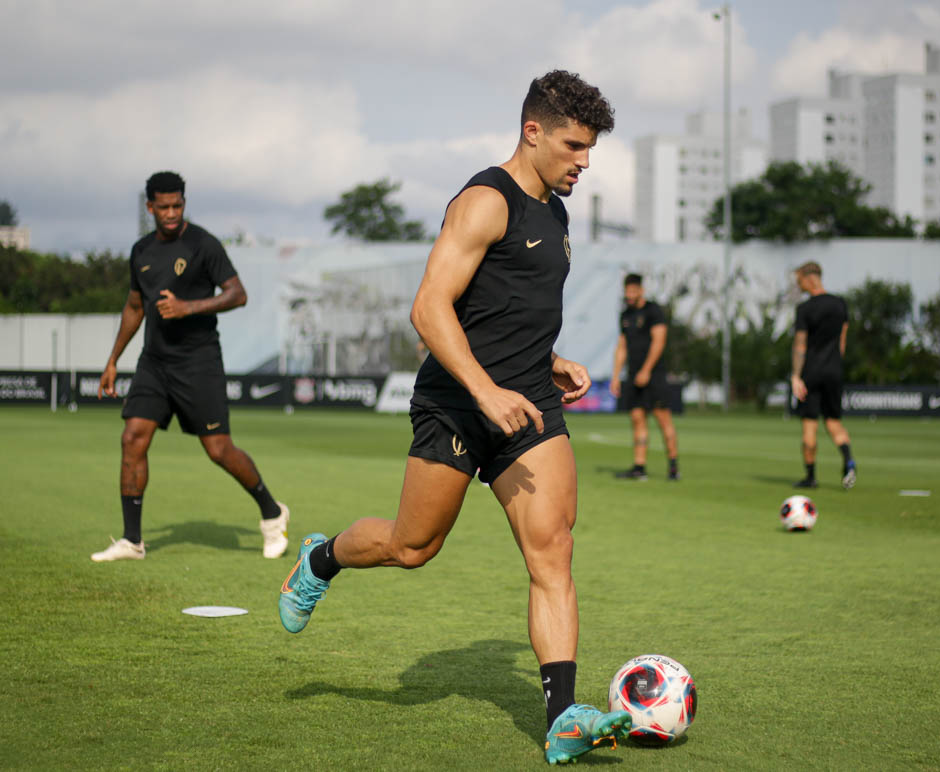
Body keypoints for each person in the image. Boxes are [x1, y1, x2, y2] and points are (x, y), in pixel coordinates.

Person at [277, 71, 631, 765]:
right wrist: (484, 388)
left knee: (553, 547)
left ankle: (562, 717)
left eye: (590, 148)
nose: (584, 161)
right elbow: (430, 307)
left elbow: (502, 308)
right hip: (458, 403)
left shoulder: (555, 213)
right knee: (413, 547)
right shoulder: (482, 202)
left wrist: (549, 360)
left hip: (529, 400)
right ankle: (319, 558)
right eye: (573, 145)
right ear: (533, 132)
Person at [91, 171, 289, 562]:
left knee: (218, 450)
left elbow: (238, 294)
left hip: (199, 362)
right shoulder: (141, 251)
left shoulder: (203, 244)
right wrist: (113, 360)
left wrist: (188, 307)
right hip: (154, 362)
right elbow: (134, 306)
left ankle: (272, 513)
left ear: (183, 202)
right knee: (132, 438)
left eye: (177, 205)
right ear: (149, 207)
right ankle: (132, 541)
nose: (170, 212)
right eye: (162, 206)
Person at [790, 261, 857, 489]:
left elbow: (800, 345)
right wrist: (835, 365)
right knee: (834, 423)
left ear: (810, 278)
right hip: (834, 371)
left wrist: (796, 377)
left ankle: (810, 477)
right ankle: (848, 462)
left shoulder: (805, 309)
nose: (799, 286)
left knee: (810, 426)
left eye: (799, 281)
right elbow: (842, 343)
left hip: (812, 373)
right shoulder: (840, 304)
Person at [609, 273, 679, 481]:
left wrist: (647, 370)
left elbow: (659, 342)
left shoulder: (653, 311)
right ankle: (640, 467)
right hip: (633, 375)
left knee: (662, 418)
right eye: (627, 291)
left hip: (653, 375)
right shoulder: (625, 315)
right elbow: (621, 347)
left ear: (641, 290)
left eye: (633, 291)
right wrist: (615, 376)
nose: (629, 295)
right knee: (637, 419)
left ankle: (673, 466)